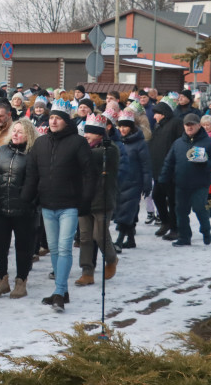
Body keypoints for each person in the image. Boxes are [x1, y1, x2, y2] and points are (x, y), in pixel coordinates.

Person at [21, 99, 94, 312]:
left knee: (64, 248)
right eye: (51, 117)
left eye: (58, 118)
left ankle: (60, 292)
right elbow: (32, 174)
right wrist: (26, 198)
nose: (53, 121)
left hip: (69, 204)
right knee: (53, 249)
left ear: (65, 121)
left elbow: (89, 175)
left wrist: (85, 202)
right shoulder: (41, 143)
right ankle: (61, 289)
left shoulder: (78, 143)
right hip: (47, 204)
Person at [0, 118, 38, 299]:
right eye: (14, 131)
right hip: (0, 206)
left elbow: (36, 180)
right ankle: (1, 279)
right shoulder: (2, 150)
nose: (15, 134)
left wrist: (27, 197)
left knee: (23, 247)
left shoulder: (33, 154)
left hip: (23, 210)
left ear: (28, 135)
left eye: (19, 131)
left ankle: (21, 281)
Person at [159, 114, 211, 247]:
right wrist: (163, 178)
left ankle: (206, 231)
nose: (189, 127)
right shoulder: (178, 143)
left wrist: (205, 163)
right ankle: (184, 237)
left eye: (192, 124)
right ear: (184, 126)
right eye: (187, 124)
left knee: (199, 208)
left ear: (199, 125)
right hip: (181, 183)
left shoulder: (209, 142)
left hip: (200, 184)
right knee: (181, 211)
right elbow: (169, 162)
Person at [74, 115, 120, 287]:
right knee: (85, 237)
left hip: (103, 199)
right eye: (86, 132)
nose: (86, 135)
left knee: (99, 235)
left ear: (100, 135)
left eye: (91, 133)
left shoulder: (110, 149)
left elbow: (92, 156)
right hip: (84, 199)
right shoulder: (83, 148)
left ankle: (111, 258)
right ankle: (87, 271)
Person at [114, 109, 153, 251]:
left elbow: (146, 165)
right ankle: (130, 240)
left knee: (126, 211)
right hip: (119, 183)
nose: (122, 129)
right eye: (120, 126)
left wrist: (147, 183)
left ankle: (119, 241)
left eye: (125, 126)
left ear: (131, 127)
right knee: (124, 211)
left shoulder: (140, 143)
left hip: (134, 183)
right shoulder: (118, 142)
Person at [149, 98, 183, 241]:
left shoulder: (175, 123)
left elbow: (180, 143)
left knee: (173, 200)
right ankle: (166, 222)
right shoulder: (159, 126)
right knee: (157, 196)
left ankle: (176, 228)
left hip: (171, 170)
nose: (154, 117)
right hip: (158, 170)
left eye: (155, 114)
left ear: (162, 113)